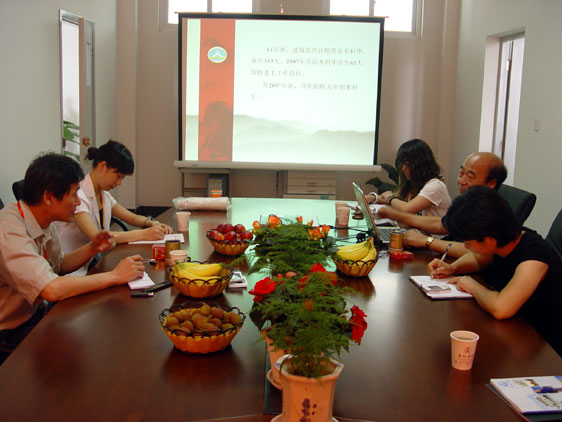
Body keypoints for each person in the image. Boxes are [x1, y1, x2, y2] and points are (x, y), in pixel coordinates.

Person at [0, 153, 145, 359]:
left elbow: (60, 265)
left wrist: (93, 248)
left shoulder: (43, 220)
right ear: (49, 197)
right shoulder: (9, 231)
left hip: (36, 315)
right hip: (9, 334)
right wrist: (115, 276)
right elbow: (51, 289)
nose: (78, 203)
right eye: (74, 194)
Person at [429, 186, 562, 357]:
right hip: (515, 331)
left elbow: (501, 308)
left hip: (545, 348)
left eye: (468, 243)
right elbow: (478, 259)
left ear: (489, 240)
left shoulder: (534, 257)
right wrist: (453, 268)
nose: (466, 247)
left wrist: (471, 285)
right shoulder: (503, 241)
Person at [56, 140, 172, 273]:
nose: (119, 183)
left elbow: (131, 217)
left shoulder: (103, 195)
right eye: (118, 176)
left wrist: (152, 223)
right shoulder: (79, 195)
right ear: (103, 166)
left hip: (92, 262)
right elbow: (97, 237)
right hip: (73, 269)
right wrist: (143, 234)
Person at [376, 152, 507, 258]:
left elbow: (475, 252)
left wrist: (427, 241)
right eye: (461, 173)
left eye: (470, 177)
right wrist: (396, 216)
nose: (461, 181)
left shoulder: (494, 212)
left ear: (491, 183)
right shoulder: (468, 203)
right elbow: (440, 224)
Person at [368, 139, 451, 218]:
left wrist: (389, 197)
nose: (403, 169)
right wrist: (372, 198)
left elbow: (407, 209)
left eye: (406, 164)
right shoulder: (416, 185)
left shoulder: (435, 186)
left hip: (429, 229)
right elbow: (395, 198)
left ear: (418, 165)